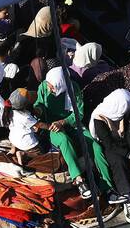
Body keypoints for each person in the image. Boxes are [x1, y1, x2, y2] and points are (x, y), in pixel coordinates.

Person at [36, 68, 110, 201]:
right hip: (52, 127)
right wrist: (38, 111)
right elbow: (38, 105)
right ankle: (79, 179)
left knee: (96, 146)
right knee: (64, 139)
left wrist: (63, 122)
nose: (50, 90)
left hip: (71, 124)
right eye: (49, 86)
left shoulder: (73, 88)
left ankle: (106, 185)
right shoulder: (43, 87)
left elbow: (79, 113)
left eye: (52, 88)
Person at [88, 88, 130, 219]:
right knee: (118, 161)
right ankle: (127, 198)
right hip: (111, 147)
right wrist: (129, 155)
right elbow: (109, 144)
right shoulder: (99, 118)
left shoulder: (126, 112)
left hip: (124, 144)